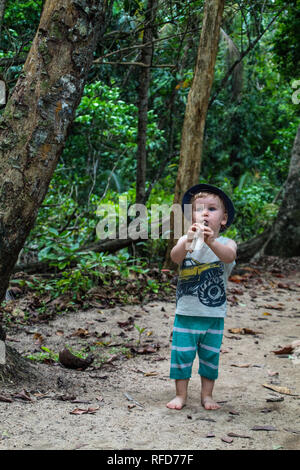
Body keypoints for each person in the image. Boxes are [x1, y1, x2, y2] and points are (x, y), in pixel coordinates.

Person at [166, 183, 237, 411]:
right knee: (182, 356)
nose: (205, 213)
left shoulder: (226, 243)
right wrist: (187, 242)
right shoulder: (184, 241)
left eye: (212, 209)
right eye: (199, 209)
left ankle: (207, 395)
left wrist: (211, 242)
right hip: (185, 314)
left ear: (223, 219)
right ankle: (181, 395)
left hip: (213, 316)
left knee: (209, 357)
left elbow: (228, 257)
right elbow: (175, 258)